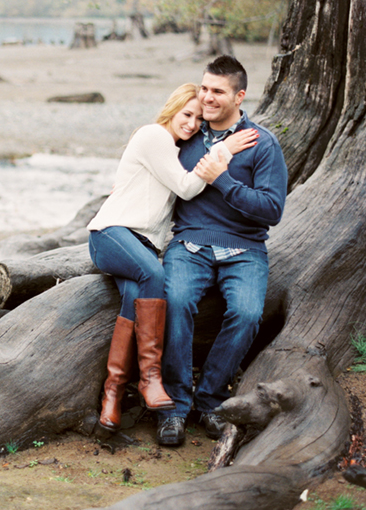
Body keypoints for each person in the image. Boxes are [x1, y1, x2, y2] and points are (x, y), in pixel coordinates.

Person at [87, 83, 258, 431]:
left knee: (136, 295)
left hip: (140, 245)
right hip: (111, 234)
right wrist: (222, 150)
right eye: (187, 114)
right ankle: (150, 379)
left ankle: (113, 395)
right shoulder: (154, 136)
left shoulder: (174, 149)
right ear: (172, 110)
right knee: (155, 277)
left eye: (198, 118)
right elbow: (186, 186)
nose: (193, 123)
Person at [157, 56, 287, 447]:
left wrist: (224, 181)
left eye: (218, 91)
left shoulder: (262, 143)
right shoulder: (186, 134)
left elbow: (272, 209)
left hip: (244, 247)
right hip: (190, 242)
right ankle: (174, 408)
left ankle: (210, 399)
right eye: (204, 89)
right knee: (176, 300)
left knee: (247, 313)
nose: (207, 98)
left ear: (240, 95)